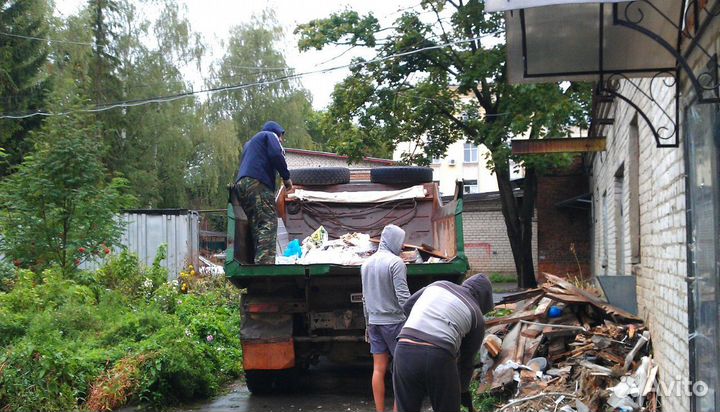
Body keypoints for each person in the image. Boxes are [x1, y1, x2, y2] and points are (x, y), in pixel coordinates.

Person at [392, 274, 494, 412]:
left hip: (404, 349)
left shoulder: (439, 284)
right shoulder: (476, 315)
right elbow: (466, 363)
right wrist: (463, 392)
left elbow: (408, 306)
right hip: (438, 355)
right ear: (484, 299)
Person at [361, 224, 411, 412]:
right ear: (395, 241)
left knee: (378, 369)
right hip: (395, 323)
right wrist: (412, 321)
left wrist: (367, 324)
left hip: (374, 322)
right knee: (400, 371)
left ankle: (380, 410)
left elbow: (365, 299)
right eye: (401, 241)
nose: (402, 245)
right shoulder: (395, 263)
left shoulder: (366, 264)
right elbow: (403, 297)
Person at [234, 121, 292, 264]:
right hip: (258, 183)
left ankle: (257, 260)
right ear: (277, 132)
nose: (282, 140)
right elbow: (276, 155)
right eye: (282, 137)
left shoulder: (250, 144)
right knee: (269, 221)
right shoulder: (269, 135)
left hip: (241, 185)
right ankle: (264, 265)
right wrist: (286, 178)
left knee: (257, 223)